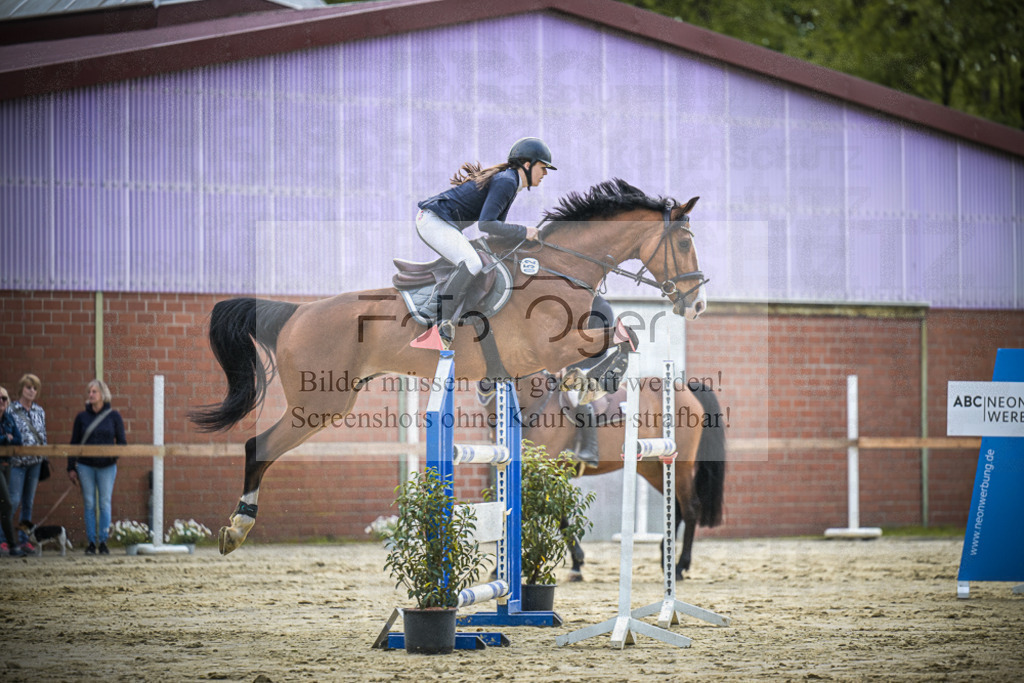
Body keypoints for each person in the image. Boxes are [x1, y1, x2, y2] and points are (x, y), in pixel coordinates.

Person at [411, 137, 556, 348]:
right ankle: (440, 327)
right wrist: (525, 232)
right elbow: (486, 224)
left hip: (441, 222)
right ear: (527, 165)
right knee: (472, 263)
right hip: (433, 221)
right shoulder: (507, 181)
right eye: (543, 167)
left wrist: (524, 239)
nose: (545, 174)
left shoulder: (511, 182)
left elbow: (496, 228)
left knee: (481, 260)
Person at [68, 379, 126, 556]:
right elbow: (74, 443)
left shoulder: (114, 416)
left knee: (104, 503)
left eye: (94, 392)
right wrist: (71, 467)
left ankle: (103, 541)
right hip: (85, 466)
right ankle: (92, 542)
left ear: (103, 394)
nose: (91, 395)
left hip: (107, 467)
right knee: (89, 503)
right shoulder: (81, 417)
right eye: (89, 392)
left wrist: (112, 457)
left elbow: (122, 443)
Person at [7, 373, 46, 553]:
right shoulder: (11, 409)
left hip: (35, 462)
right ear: (21, 389)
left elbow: (43, 434)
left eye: (34, 388)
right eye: (28, 387)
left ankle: (25, 540)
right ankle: (4, 539)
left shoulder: (40, 411)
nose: (31, 391)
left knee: (28, 502)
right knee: (13, 500)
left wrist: (44, 455)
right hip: (17, 462)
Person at [0, 386, 27, 557]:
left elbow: (18, 439)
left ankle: (11, 545)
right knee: (7, 504)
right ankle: (13, 545)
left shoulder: (8, 418)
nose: (1, 401)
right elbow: (8, 439)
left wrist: (8, 439)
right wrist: (5, 438)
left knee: (4, 507)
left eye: (4, 398)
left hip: (6, 465)